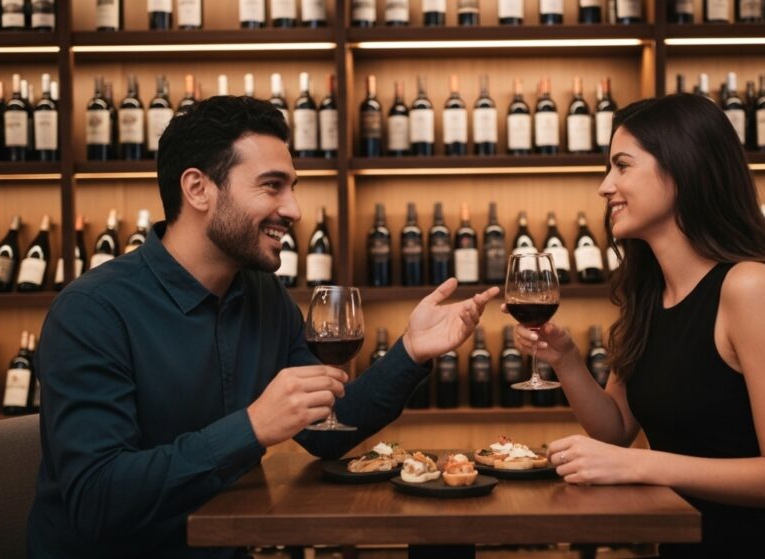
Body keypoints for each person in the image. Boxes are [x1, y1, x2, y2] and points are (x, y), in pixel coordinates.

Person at [27, 96, 498, 558]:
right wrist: (252, 427)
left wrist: (411, 351)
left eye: (292, 188)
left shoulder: (262, 295)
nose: (293, 209)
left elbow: (325, 427)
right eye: (272, 186)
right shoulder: (93, 312)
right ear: (198, 189)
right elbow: (97, 498)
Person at [510, 94, 765, 557]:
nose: (604, 187)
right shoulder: (649, 295)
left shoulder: (749, 287)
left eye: (622, 166)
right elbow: (616, 429)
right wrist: (566, 360)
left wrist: (637, 465)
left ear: (683, 169)